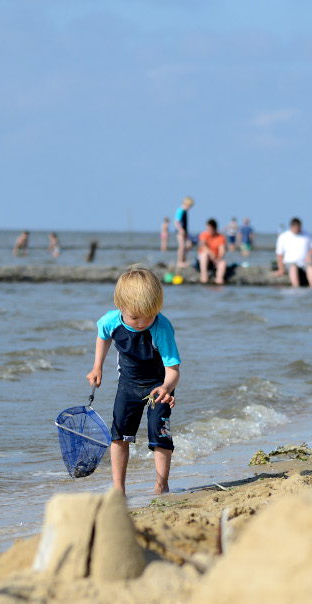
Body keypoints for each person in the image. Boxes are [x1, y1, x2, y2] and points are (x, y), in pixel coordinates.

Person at [86, 266, 181, 495]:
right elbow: (103, 335)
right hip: (128, 385)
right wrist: (97, 366)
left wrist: (167, 388)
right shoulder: (112, 320)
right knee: (119, 435)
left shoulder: (161, 327)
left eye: (149, 316)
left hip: (159, 386)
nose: (142, 322)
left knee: (160, 435)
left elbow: (174, 369)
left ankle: (161, 485)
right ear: (121, 307)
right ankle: (118, 489)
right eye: (135, 317)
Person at [274, 217, 312, 288]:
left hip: (304, 262)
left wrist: (310, 255)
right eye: (295, 226)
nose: (296, 228)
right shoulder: (283, 237)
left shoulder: (307, 235)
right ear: (291, 226)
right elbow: (279, 254)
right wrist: (281, 269)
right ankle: (296, 288)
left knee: (310, 267)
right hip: (290, 262)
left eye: (298, 226)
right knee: (293, 267)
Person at [197, 218, 228, 284]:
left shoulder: (220, 237)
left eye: (209, 229)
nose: (208, 230)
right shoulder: (204, 234)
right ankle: (204, 276)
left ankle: (219, 279)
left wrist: (218, 258)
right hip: (205, 259)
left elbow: (222, 250)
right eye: (207, 228)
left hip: (215, 260)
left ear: (214, 228)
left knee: (223, 263)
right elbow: (203, 245)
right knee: (204, 254)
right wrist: (211, 254)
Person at [175, 196, 193, 268]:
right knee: (182, 247)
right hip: (180, 232)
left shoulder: (185, 211)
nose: (190, 208)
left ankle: (184, 260)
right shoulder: (180, 210)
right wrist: (181, 230)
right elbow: (176, 222)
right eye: (189, 206)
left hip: (185, 232)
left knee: (189, 245)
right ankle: (179, 262)